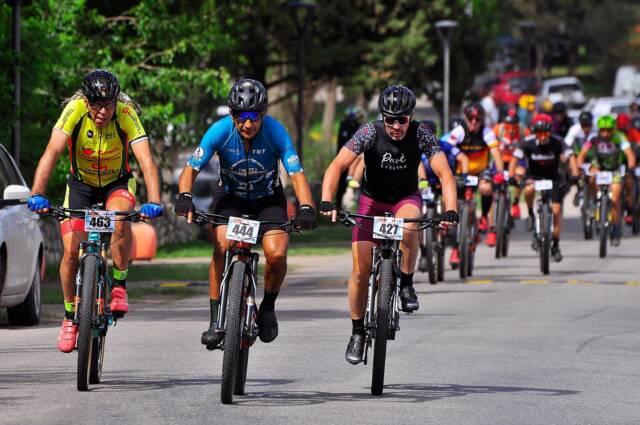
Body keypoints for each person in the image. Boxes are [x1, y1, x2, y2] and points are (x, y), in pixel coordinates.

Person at [319, 85, 458, 364]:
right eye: (390, 119)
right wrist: (325, 201)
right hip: (372, 201)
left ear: (411, 117)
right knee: (359, 271)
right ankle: (357, 332)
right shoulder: (370, 132)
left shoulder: (421, 134)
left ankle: (406, 282)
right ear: (382, 117)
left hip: (404, 198)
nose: (395, 126)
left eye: (402, 119)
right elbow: (336, 166)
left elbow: (445, 175)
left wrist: (450, 209)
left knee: (410, 227)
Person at [27, 69, 163, 353]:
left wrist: (154, 200)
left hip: (117, 183)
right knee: (69, 252)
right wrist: (37, 193)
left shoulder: (126, 112)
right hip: (81, 186)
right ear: (86, 102)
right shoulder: (74, 109)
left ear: (116, 102)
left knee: (120, 218)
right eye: (96, 105)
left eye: (108, 105)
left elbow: (146, 160)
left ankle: (119, 285)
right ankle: (69, 317)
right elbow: (51, 151)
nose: (103, 111)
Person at [175, 79, 316, 349]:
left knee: (276, 254)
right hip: (231, 199)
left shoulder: (276, 132)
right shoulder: (219, 131)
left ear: (262, 114)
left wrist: (307, 207)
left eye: (253, 116)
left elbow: (296, 175)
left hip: (267, 200)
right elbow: (191, 168)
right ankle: (216, 321)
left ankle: (268, 308)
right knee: (221, 246)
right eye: (241, 116)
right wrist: (184, 196)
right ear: (232, 115)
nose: (247, 123)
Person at [509, 113, 578, 261]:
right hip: (534, 176)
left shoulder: (557, 141)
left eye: (545, 133)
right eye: (539, 133)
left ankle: (556, 245)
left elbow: (570, 156)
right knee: (528, 189)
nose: (542, 136)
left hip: (553, 178)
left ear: (550, 132)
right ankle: (530, 214)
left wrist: (575, 174)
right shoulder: (527, 142)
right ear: (535, 133)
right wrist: (511, 176)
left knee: (557, 210)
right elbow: (515, 158)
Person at [447, 102, 505, 248]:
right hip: (461, 172)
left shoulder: (487, 132)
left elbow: (496, 154)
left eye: (478, 119)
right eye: (470, 118)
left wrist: (500, 173)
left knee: (486, 188)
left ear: (482, 120)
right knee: (453, 206)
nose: (474, 122)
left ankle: (484, 217)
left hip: (481, 171)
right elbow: (446, 151)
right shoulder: (458, 132)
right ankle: (454, 247)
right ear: (465, 118)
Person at [577, 115, 636, 246]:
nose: (605, 133)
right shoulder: (593, 139)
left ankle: (615, 228)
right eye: (603, 130)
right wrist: (581, 167)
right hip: (599, 167)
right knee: (590, 178)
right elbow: (582, 154)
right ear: (599, 129)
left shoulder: (619, 137)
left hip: (615, 169)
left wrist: (630, 169)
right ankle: (594, 200)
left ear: (613, 129)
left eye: (608, 130)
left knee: (615, 198)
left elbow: (629, 154)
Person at [494, 108, 525, 220]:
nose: (511, 130)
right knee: (494, 180)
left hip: (517, 161)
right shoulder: (498, 129)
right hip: (501, 160)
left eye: (514, 126)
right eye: (509, 126)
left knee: (520, 176)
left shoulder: (522, 130)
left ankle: (515, 203)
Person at [336, 106, 366, 208]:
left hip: (354, 158)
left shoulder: (360, 127)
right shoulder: (344, 125)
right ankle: (338, 208)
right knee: (341, 185)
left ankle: (359, 205)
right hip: (343, 158)